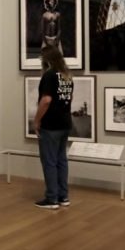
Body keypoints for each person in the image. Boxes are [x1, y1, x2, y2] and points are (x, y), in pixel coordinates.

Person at [33, 44, 74, 209]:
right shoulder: (66, 75)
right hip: (65, 124)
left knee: (49, 161)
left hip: (50, 125)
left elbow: (46, 100)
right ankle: (63, 196)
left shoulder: (49, 75)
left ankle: (52, 198)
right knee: (61, 160)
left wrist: (37, 120)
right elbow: (69, 99)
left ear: (47, 59)